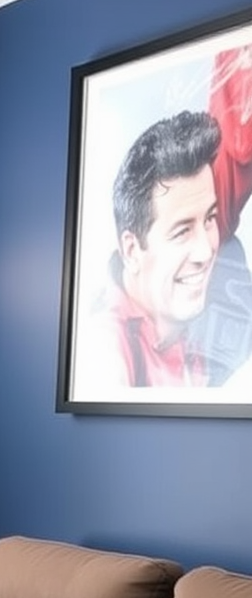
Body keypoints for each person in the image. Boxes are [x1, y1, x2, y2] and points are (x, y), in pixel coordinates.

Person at [76, 47, 252, 393]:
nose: (205, 250)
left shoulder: (219, 283)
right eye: (182, 231)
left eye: (210, 219)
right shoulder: (106, 353)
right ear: (131, 249)